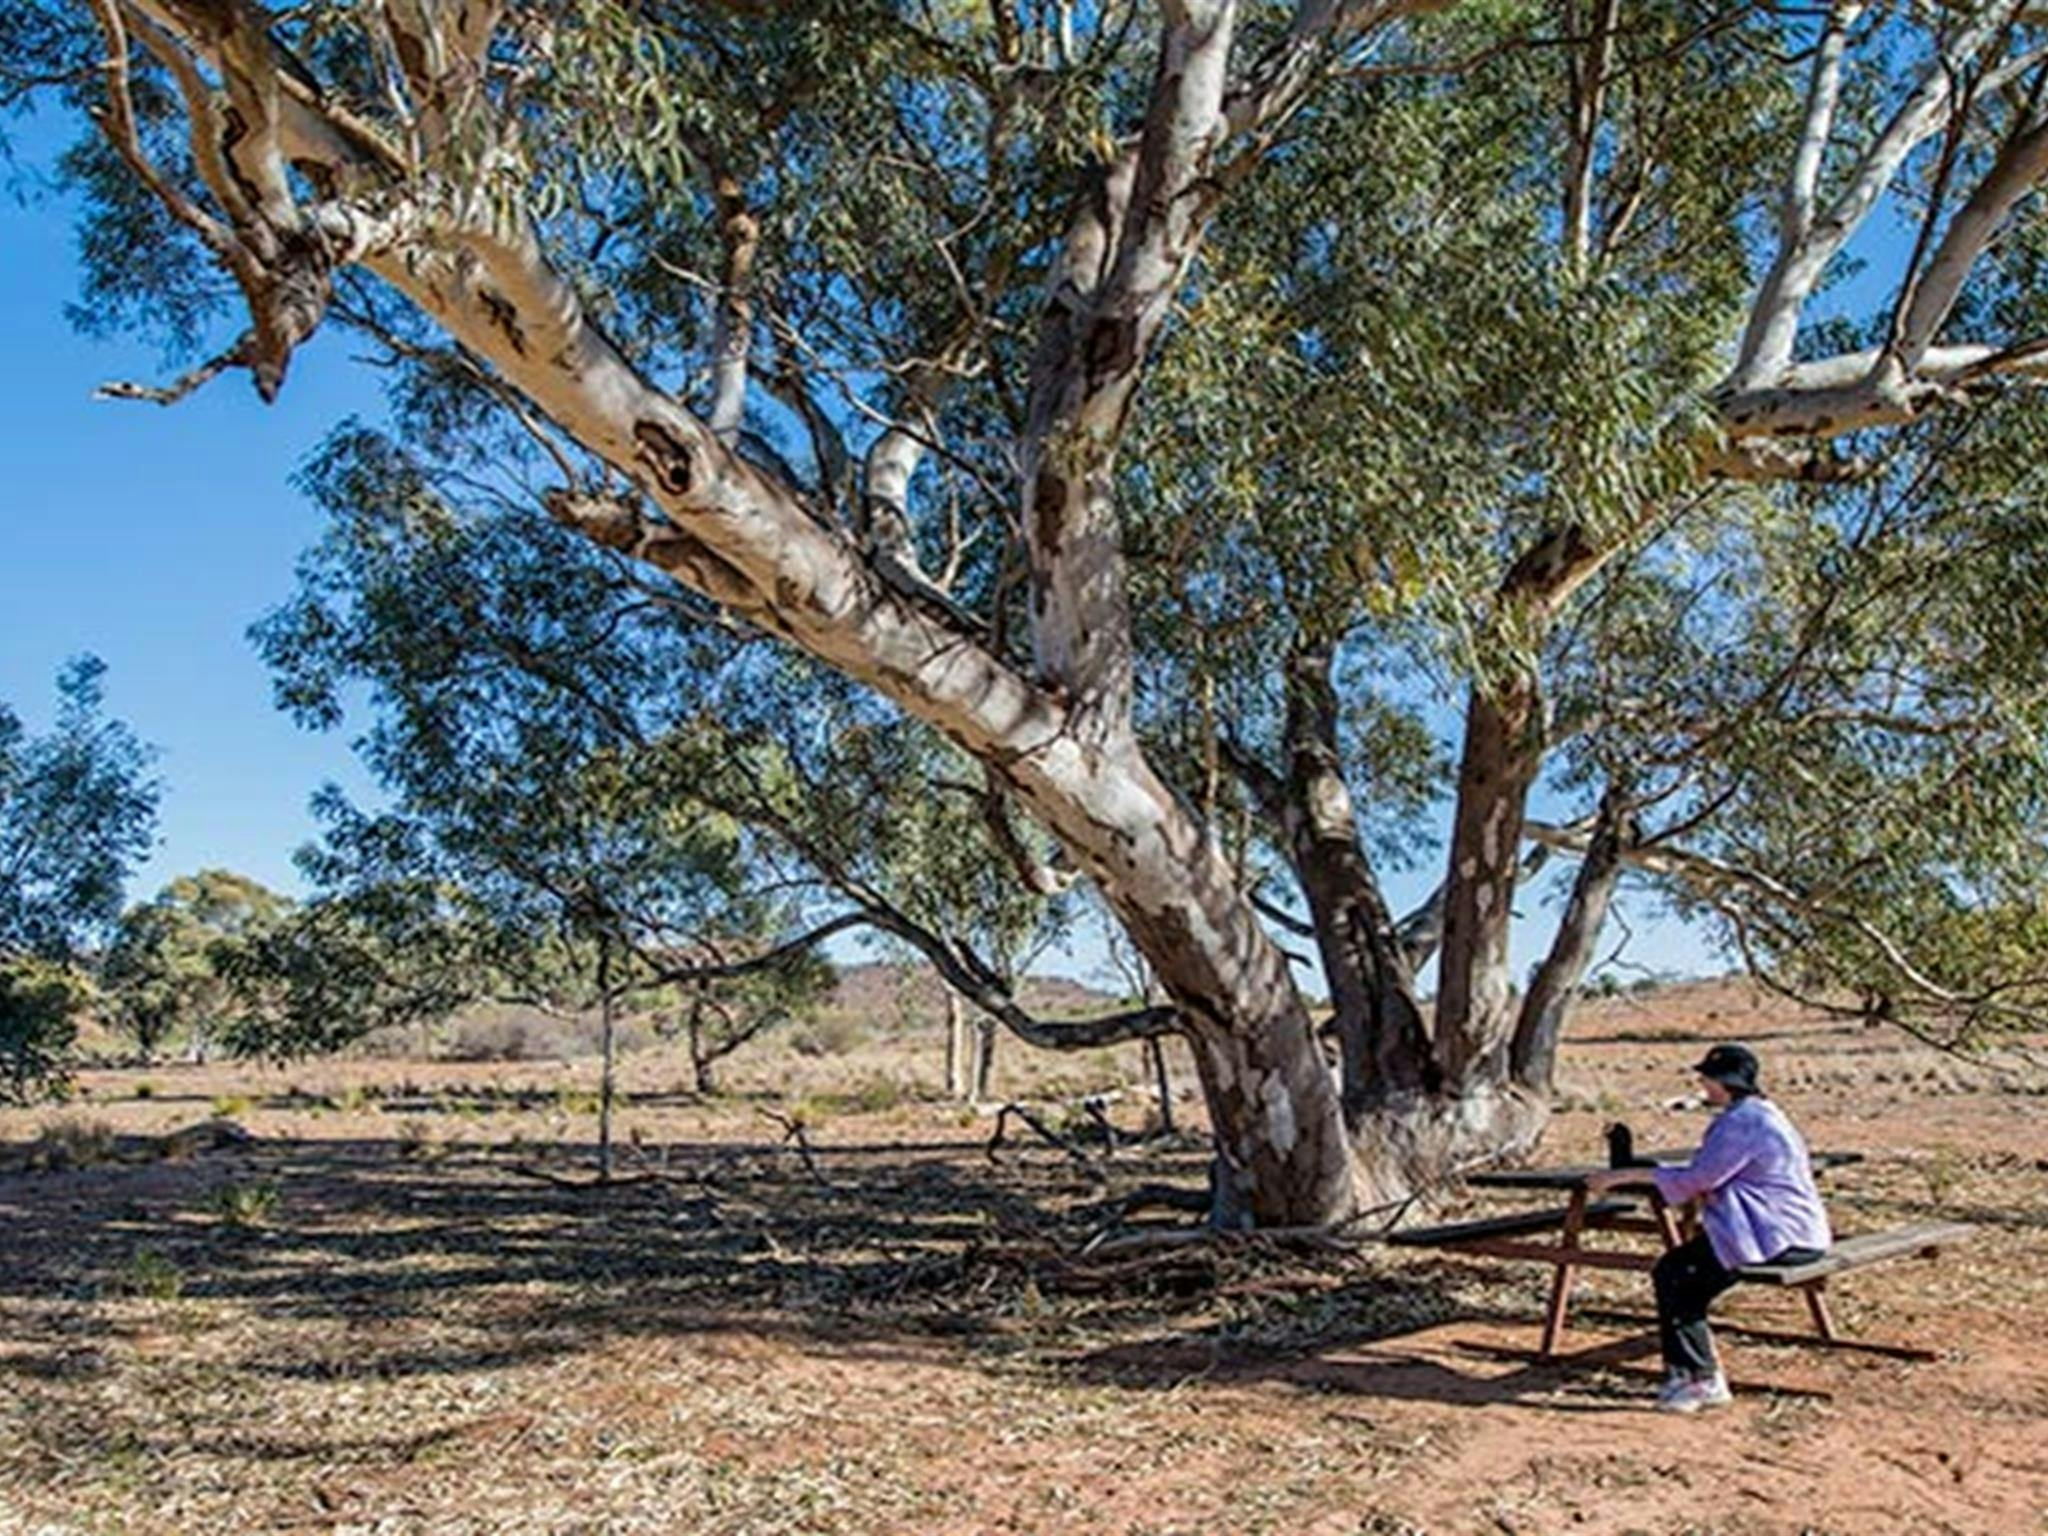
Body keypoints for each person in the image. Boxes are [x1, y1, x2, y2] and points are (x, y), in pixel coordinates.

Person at [1585, 1043, 1831, 1414]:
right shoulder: (1761, 1114)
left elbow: (1700, 1178)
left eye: (1708, 1077)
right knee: (1685, 1274)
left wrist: (1622, 1176)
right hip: (1794, 1233)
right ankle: (1694, 1370)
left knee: (1675, 1274)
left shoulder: (1742, 1122)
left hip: (1772, 1237)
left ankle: (1698, 1380)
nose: (1702, 1083)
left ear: (1725, 1082)